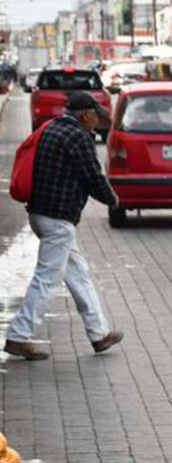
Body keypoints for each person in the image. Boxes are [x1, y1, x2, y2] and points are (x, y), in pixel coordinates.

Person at [5, 92, 124, 361]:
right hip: (58, 219)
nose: (96, 120)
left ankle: (99, 333)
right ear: (84, 114)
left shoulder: (52, 128)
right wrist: (113, 199)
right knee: (47, 279)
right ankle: (18, 335)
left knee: (78, 273)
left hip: (40, 214)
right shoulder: (78, 137)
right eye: (94, 114)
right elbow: (93, 176)